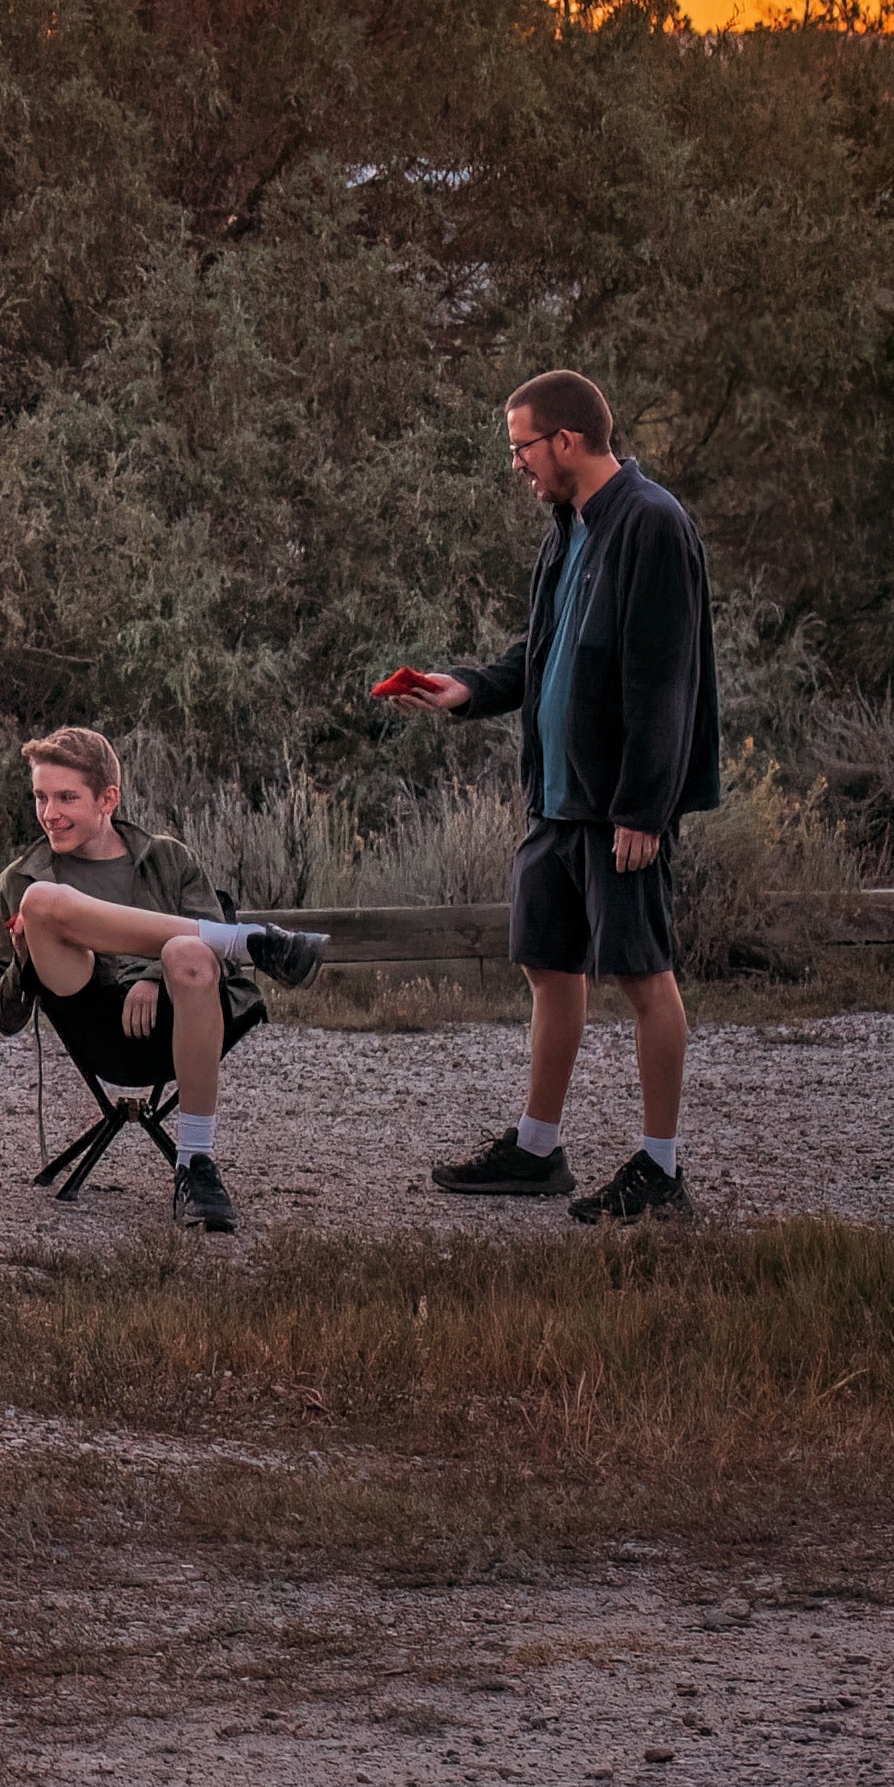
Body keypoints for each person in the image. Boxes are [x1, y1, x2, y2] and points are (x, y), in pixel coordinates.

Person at [373, 364, 723, 1224]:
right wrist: (468, 689)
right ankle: (538, 1150)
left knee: (644, 978)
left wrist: (646, 807)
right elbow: (542, 646)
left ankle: (662, 1171)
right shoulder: (569, 525)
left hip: (617, 812)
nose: (518, 465)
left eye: (522, 448)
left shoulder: (652, 523)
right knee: (548, 965)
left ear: (567, 440)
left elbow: (665, 680)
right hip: (556, 802)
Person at [0, 725, 331, 1232]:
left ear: (108, 799)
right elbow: (2, 1015)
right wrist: (24, 959)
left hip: (178, 1019)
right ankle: (247, 939)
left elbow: (212, 972)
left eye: (66, 797)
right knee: (41, 902)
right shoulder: (20, 878)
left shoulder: (168, 858)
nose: (49, 812)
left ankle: (195, 1164)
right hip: (92, 1017)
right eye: (40, 796)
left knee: (190, 951)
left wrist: (152, 973)